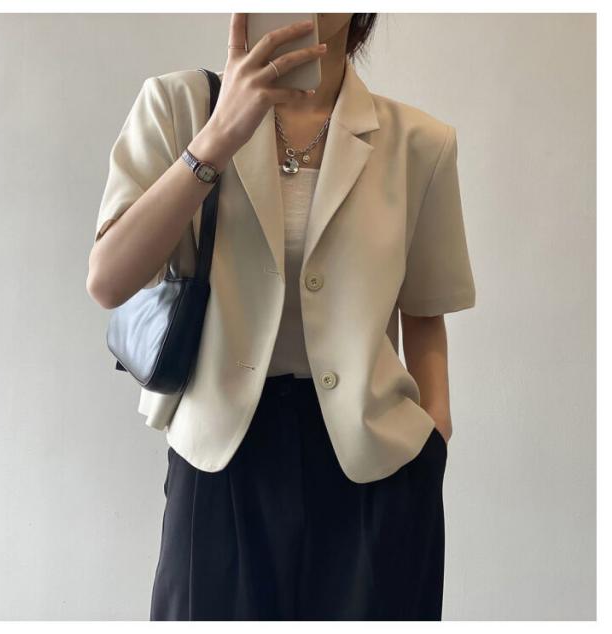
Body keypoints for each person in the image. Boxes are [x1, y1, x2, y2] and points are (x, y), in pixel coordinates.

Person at [87, 13, 476, 621]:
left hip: (375, 465)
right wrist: (216, 139)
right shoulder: (177, 106)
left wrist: (435, 439)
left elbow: (425, 311)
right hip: (219, 456)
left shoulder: (419, 143)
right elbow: (109, 280)